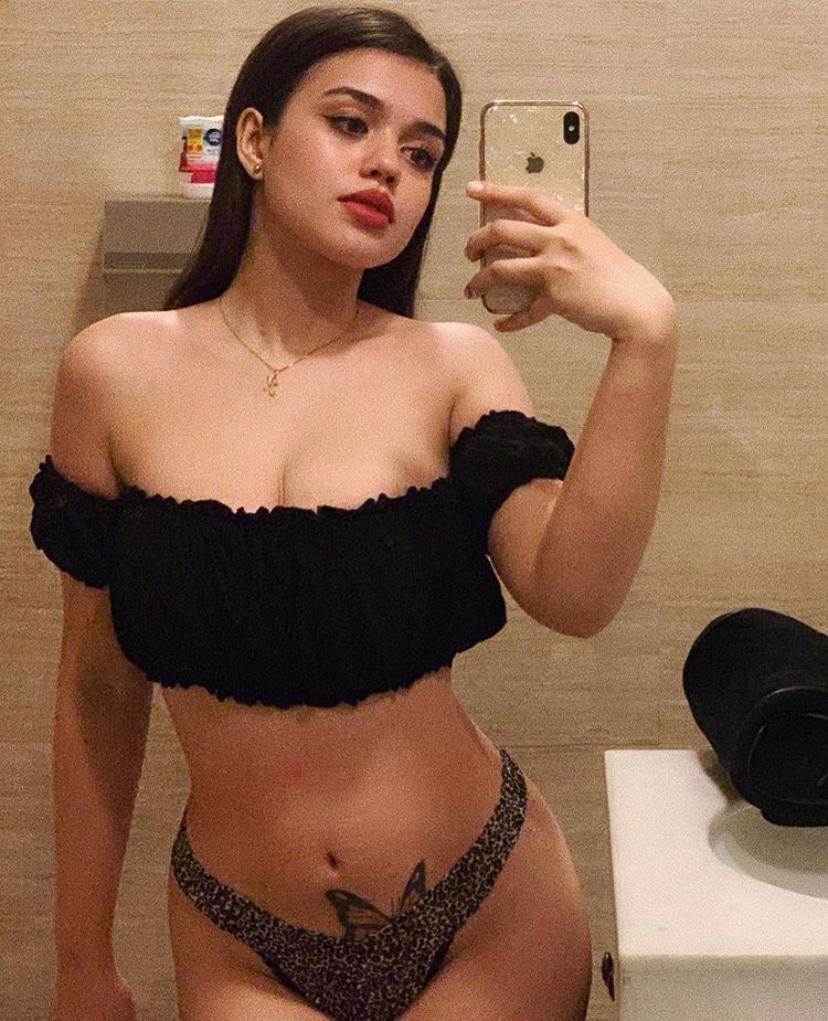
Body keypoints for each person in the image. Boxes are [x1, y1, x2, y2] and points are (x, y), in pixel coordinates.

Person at [33, 6, 677, 1021]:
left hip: (487, 911)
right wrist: (82, 962)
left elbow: (576, 593)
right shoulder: (112, 371)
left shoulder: (454, 367)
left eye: (422, 155)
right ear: (254, 141)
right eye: (350, 124)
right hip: (241, 939)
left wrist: (646, 340)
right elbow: (98, 690)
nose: (388, 167)